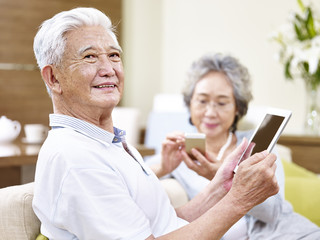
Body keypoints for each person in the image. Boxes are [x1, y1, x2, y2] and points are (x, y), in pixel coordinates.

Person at [32, 8, 279, 239]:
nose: (108, 69)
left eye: (114, 55)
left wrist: (220, 188)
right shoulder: (76, 158)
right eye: (90, 57)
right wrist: (239, 200)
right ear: (53, 78)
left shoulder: (109, 143)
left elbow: (164, 225)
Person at [149, 53, 320, 239]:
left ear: (238, 107)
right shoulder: (180, 153)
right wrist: (163, 167)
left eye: (222, 103)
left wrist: (220, 176)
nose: (210, 112)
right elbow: (131, 179)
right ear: (190, 103)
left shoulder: (256, 142)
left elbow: (274, 213)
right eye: (202, 101)